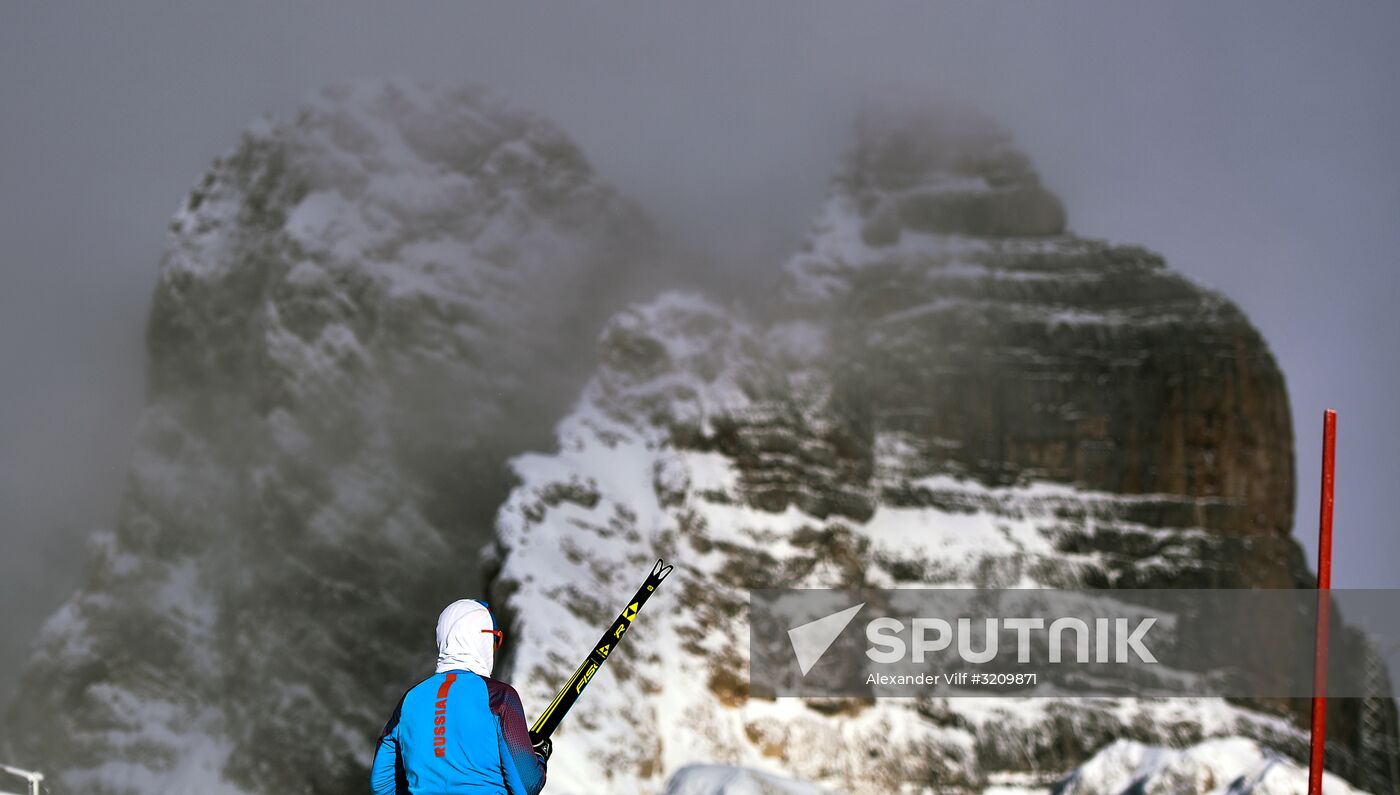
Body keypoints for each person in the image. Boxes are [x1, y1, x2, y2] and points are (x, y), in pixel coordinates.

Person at [371, 599, 550, 794]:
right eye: (495, 640)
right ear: (482, 639)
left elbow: (381, 785)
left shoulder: (409, 700)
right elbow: (527, 785)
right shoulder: (500, 697)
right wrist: (538, 756)